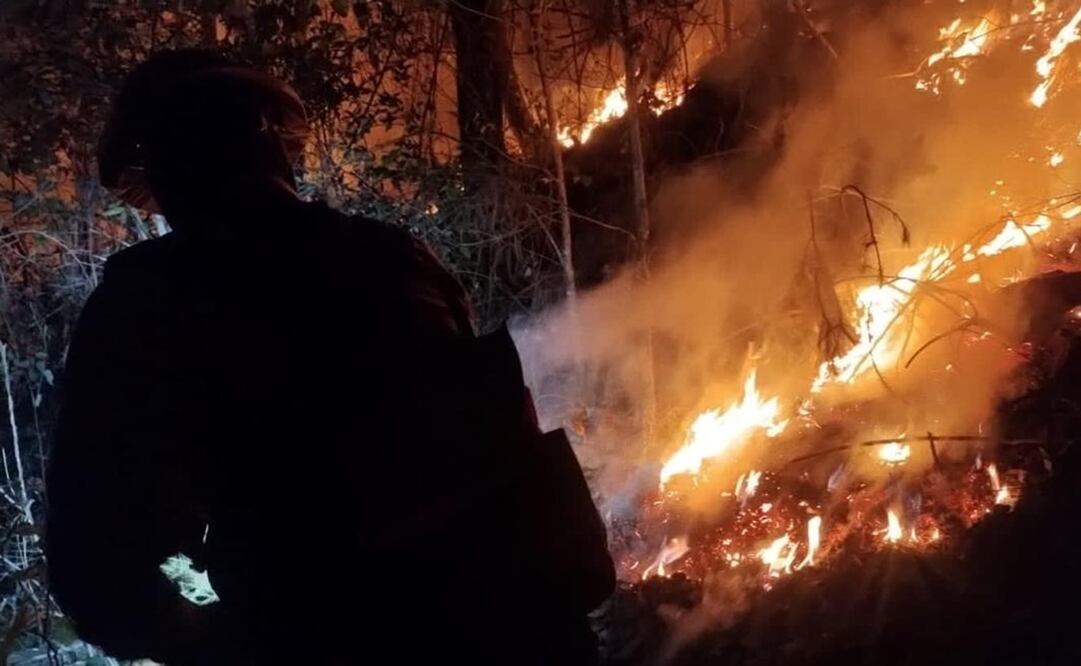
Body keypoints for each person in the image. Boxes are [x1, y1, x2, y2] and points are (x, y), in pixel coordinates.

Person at [45, 50, 614, 665]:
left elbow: (94, 565)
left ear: (161, 169)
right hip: (513, 627)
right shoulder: (396, 260)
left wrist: (215, 643)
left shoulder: (144, 306)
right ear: (271, 138)